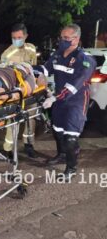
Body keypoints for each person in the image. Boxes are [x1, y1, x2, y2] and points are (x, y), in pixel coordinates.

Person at [37, 23, 96, 181]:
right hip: (58, 101)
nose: (62, 41)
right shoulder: (58, 54)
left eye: (66, 38)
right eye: (61, 38)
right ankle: (61, 155)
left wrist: (54, 98)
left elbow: (74, 86)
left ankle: (71, 167)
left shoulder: (85, 60)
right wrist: (37, 73)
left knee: (70, 138)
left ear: (76, 39)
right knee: (57, 131)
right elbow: (45, 68)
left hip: (75, 102)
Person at [0, 23, 38, 158]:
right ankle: (8, 148)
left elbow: (34, 69)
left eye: (19, 37)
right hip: (15, 93)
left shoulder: (31, 49)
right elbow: (3, 76)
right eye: (14, 37)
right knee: (12, 120)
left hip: (30, 91)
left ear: (26, 36)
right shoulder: (7, 54)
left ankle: (29, 144)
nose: (16, 40)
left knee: (30, 119)